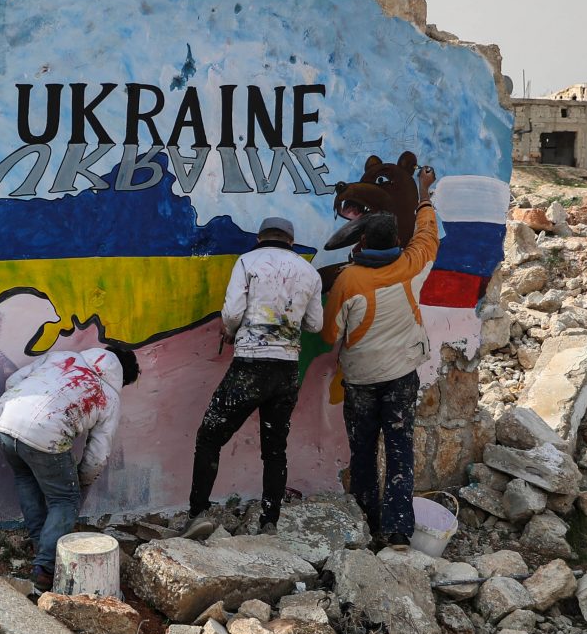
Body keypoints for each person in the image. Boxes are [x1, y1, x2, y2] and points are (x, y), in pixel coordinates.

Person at [181, 216, 323, 539]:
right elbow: (315, 324)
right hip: (286, 370)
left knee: (209, 436)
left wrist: (230, 332)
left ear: (260, 238)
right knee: (275, 448)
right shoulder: (308, 272)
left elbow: (231, 312)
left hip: (250, 365)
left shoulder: (247, 262)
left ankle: (197, 513)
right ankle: (269, 522)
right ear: (290, 240)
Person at [321, 165, 439, 547]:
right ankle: (399, 530)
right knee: (401, 449)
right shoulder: (411, 264)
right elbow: (427, 233)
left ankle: (367, 525)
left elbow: (329, 335)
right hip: (402, 375)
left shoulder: (348, 281)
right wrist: (423, 191)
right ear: (395, 242)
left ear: (362, 244)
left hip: (361, 381)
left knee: (363, 453)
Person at [0, 342, 139, 591]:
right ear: (123, 377)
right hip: (45, 437)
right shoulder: (109, 396)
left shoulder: (62, 357)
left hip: (4, 420)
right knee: (66, 499)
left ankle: (41, 544)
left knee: (25, 479)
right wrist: (82, 480)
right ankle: (46, 568)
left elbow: (13, 380)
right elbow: (97, 455)